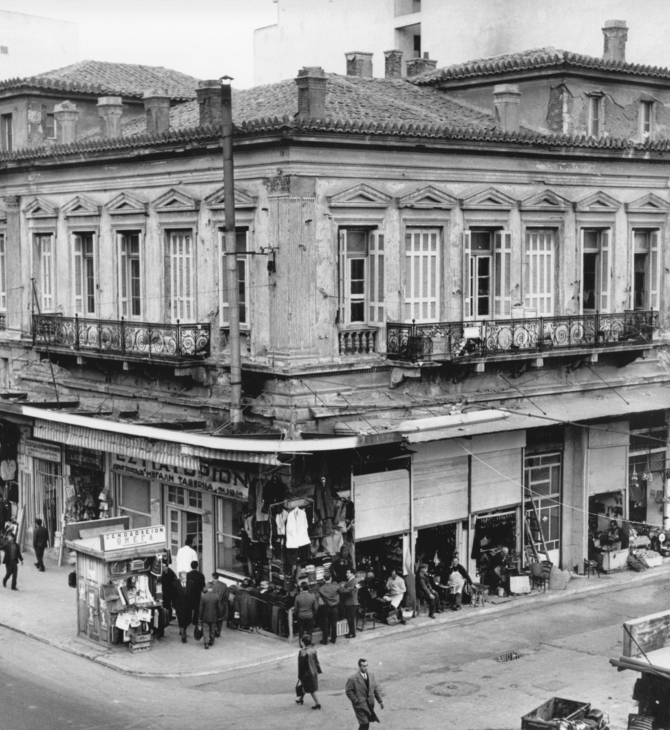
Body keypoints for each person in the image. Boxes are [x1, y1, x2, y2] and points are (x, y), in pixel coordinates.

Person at [345, 658, 384, 729]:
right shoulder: (353, 678)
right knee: (365, 724)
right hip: (359, 706)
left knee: (365, 724)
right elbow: (348, 691)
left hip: (369, 705)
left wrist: (380, 701)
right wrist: (356, 701)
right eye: (363, 666)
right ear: (359, 667)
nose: (366, 668)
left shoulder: (371, 675)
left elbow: (375, 688)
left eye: (367, 665)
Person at [296, 634, 322, 710]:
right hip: (313, 671)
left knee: (311, 689)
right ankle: (301, 699)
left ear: (303, 642)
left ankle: (317, 703)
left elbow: (301, 666)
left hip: (306, 673)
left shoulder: (302, 652)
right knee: (305, 686)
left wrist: (300, 676)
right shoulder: (313, 650)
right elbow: (316, 662)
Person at [318, 572, 340, 645]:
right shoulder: (336, 586)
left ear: (324, 579)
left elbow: (317, 596)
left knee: (325, 624)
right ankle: (333, 639)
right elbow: (343, 591)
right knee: (334, 624)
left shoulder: (321, 589)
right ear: (331, 578)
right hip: (334, 608)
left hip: (325, 608)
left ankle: (325, 640)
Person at [198, 581, 222, 649]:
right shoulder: (217, 596)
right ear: (213, 587)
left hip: (205, 616)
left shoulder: (203, 596)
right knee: (212, 629)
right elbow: (219, 607)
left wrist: (199, 617)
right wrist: (220, 616)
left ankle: (206, 643)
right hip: (214, 616)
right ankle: (211, 640)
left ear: (207, 587)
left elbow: (201, 608)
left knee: (205, 629)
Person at [173, 571, 194, 643]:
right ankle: (183, 636)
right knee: (181, 620)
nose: (184, 580)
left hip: (188, 606)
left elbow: (192, 594)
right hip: (179, 606)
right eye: (183, 578)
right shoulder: (175, 584)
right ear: (179, 578)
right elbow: (173, 596)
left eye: (185, 578)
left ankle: (183, 629)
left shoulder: (191, 583)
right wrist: (174, 606)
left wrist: (192, 604)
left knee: (188, 620)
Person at [338, 568, 359, 638]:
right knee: (349, 618)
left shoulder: (354, 581)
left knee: (351, 619)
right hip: (349, 602)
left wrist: (342, 588)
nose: (346, 574)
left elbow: (347, 591)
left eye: (348, 573)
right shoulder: (350, 581)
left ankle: (352, 633)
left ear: (352, 574)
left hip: (351, 603)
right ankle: (351, 632)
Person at [187, 560, 206, 626]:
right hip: (197, 594)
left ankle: (188, 619)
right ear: (197, 567)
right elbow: (203, 586)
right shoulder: (201, 575)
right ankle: (195, 621)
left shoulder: (187, 575)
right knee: (196, 608)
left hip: (189, 594)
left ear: (191, 566)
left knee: (188, 607)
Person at [209, 573, 229, 638]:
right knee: (220, 619)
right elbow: (227, 596)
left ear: (212, 577)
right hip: (221, 605)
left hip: (213, 604)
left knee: (213, 619)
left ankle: (214, 631)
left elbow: (205, 592)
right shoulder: (224, 585)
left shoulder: (210, 584)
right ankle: (218, 632)